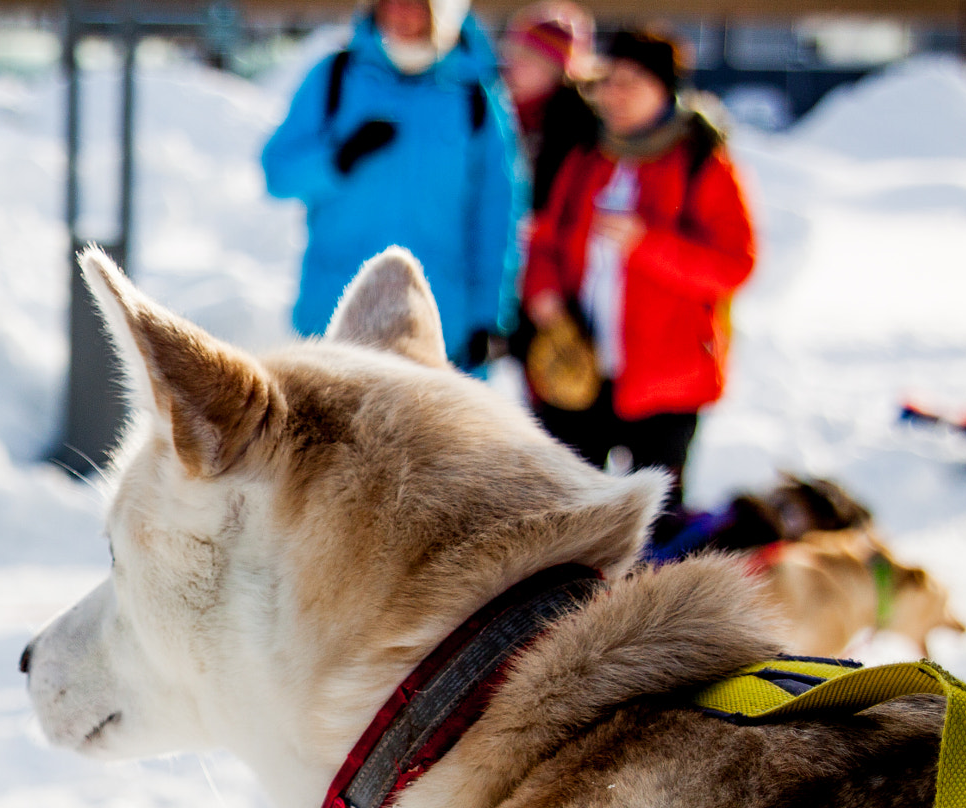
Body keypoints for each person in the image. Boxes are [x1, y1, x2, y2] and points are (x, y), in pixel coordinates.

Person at [521, 28, 755, 543]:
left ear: (663, 88)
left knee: (657, 523)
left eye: (630, 82)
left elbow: (734, 265)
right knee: (569, 512)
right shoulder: (588, 156)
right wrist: (544, 294)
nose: (613, 94)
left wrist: (646, 244)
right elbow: (545, 240)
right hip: (580, 368)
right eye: (607, 81)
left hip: (667, 381)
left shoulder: (702, 161)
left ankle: (651, 619)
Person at [261, 0, 521, 371]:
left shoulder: (476, 98)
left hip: (438, 324)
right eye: (389, 1)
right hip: (334, 317)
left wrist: (489, 316)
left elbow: (498, 215)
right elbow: (278, 174)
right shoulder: (334, 77)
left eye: (415, 4)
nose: (399, 12)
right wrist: (338, 157)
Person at [501, 4, 599, 215]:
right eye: (513, 53)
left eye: (530, 58)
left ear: (557, 71)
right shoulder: (490, 109)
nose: (514, 65)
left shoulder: (577, 130)